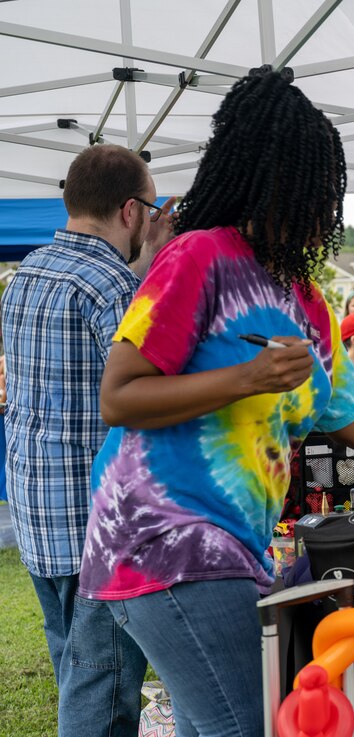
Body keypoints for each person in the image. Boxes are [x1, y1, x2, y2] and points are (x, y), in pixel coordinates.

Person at [75, 69, 354, 737]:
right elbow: (119, 396)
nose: (317, 206)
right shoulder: (198, 259)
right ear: (264, 177)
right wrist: (248, 376)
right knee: (246, 726)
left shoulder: (305, 297)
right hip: (164, 544)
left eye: (324, 192)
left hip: (235, 551)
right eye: (304, 186)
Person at [2, 143, 176, 737]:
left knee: (74, 673)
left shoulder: (26, 272)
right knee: (101, 695)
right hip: (95, 520)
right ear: (131, 210)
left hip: (38, 508)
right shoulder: (110, 287)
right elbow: (147, 400)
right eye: (151, 209)